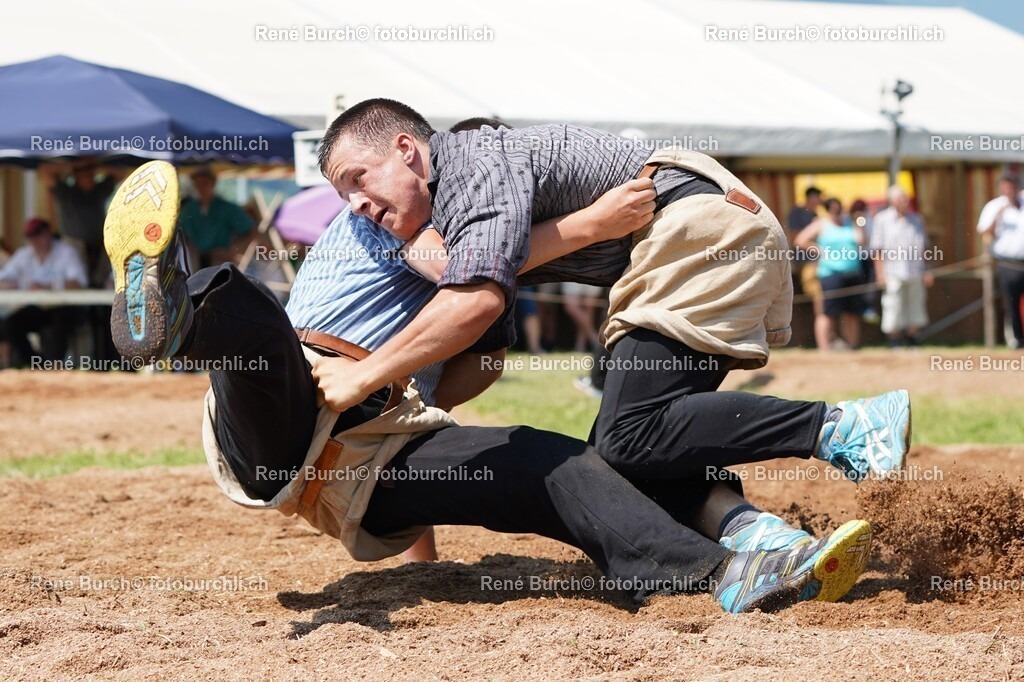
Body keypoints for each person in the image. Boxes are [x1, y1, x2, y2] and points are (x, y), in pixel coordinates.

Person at [102, 160, 877, 615]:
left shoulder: (468, 270)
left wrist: (421, 559)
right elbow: (459, 272)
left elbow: (464, 373)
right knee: (259, 328)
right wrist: (590, 226)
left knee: (559, 463)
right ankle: (179, 310)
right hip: (289, 408)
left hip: (369, 457)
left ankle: (726, 574)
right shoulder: (394, 222)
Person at [313, 98, 912, 490]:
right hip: (698, 237)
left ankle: (844, 426)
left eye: (356, 180)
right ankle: (750, 537)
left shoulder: (470, 162)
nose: (356, 204)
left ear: (405, 148)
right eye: (344, 199)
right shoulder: (451, 220)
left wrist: (363, 380)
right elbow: (475, 323)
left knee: (627, 435)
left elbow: (474, 298)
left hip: (693, 229)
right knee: (628, 450)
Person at [0, 217, 87, 366]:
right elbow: (3, 279)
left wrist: (49, 286)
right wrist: (20, 284)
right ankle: (36, 364)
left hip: (64, 306)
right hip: (38, 308)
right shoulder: (24, 255)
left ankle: (52, 366)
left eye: (37, 234)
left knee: (59, 326)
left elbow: (78, 283)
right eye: (30, 236)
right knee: (11, 324)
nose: (34, 240)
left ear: (48, 233)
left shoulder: (66, 252)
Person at [795, 198, 866, 351]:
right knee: (827, 313)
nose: (837, 212)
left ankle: (852, 346)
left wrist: (857, 223)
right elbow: (800, 240)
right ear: (828, 210)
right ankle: (824, 348)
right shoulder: (822, 223)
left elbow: (862, 241)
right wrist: (818, 250)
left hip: (852, 273)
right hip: (830, 273)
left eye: (839, 208)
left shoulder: (850, 223)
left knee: (851, 313)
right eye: (833, 209)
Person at [871, 186, 932, 348]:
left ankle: (912, 339)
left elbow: (924, 247)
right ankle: (894, 340)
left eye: (906, 199)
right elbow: (877, 249)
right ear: (892, 201)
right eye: (901, 199)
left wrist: (927, 270)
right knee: (893, 306)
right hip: (892, 272)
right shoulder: (881, 219)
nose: (904, 202)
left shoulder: (916, 219)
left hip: (915, 270)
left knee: (915, 305)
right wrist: (880, 274)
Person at [977, 173, 1024, 349]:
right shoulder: (995, 206)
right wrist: (998, 214)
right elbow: (984, 231)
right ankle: (1017, 341)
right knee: (1011, 303)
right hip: (1008, 264)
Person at [178, 166, 254, 267]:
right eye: (198, 184)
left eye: (205, 183)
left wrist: (234, 250)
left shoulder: (227, 208)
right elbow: (180, 232)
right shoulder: (189, 209)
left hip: (220, 261)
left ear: (213, 184)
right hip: (195, 261)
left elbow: (251, 231)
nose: (201, 188)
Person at [788, 186, 825, 319]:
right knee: (817, 294)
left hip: (818, 262)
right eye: (818, 197)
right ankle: (822, 321)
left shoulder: (815, 215)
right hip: (806, 262)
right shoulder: (797, 213)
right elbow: (795, 238)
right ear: (811, 197)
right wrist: (818, 248)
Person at [849, 199, 880, 324]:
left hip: (869, 257)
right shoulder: (850, 222)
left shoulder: (869, 220)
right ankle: (863, 308)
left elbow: (867, 241)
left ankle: (868, 307)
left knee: (869, 284)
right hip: (856, 259)